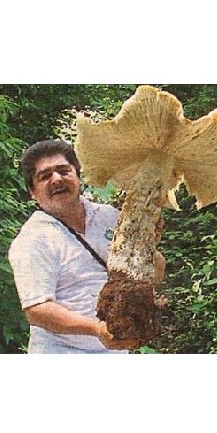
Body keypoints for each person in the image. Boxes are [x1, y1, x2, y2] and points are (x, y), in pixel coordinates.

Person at [8, 140, 137, 353]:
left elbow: (152, 275)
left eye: (64, 171)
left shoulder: (110, 217)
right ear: (32, 191)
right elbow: (37, 309)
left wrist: (149, 240)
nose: (57, 179)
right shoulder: (33, 239)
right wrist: (95, 329)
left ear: (78, 176)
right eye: (45, 176)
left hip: (116, 350)